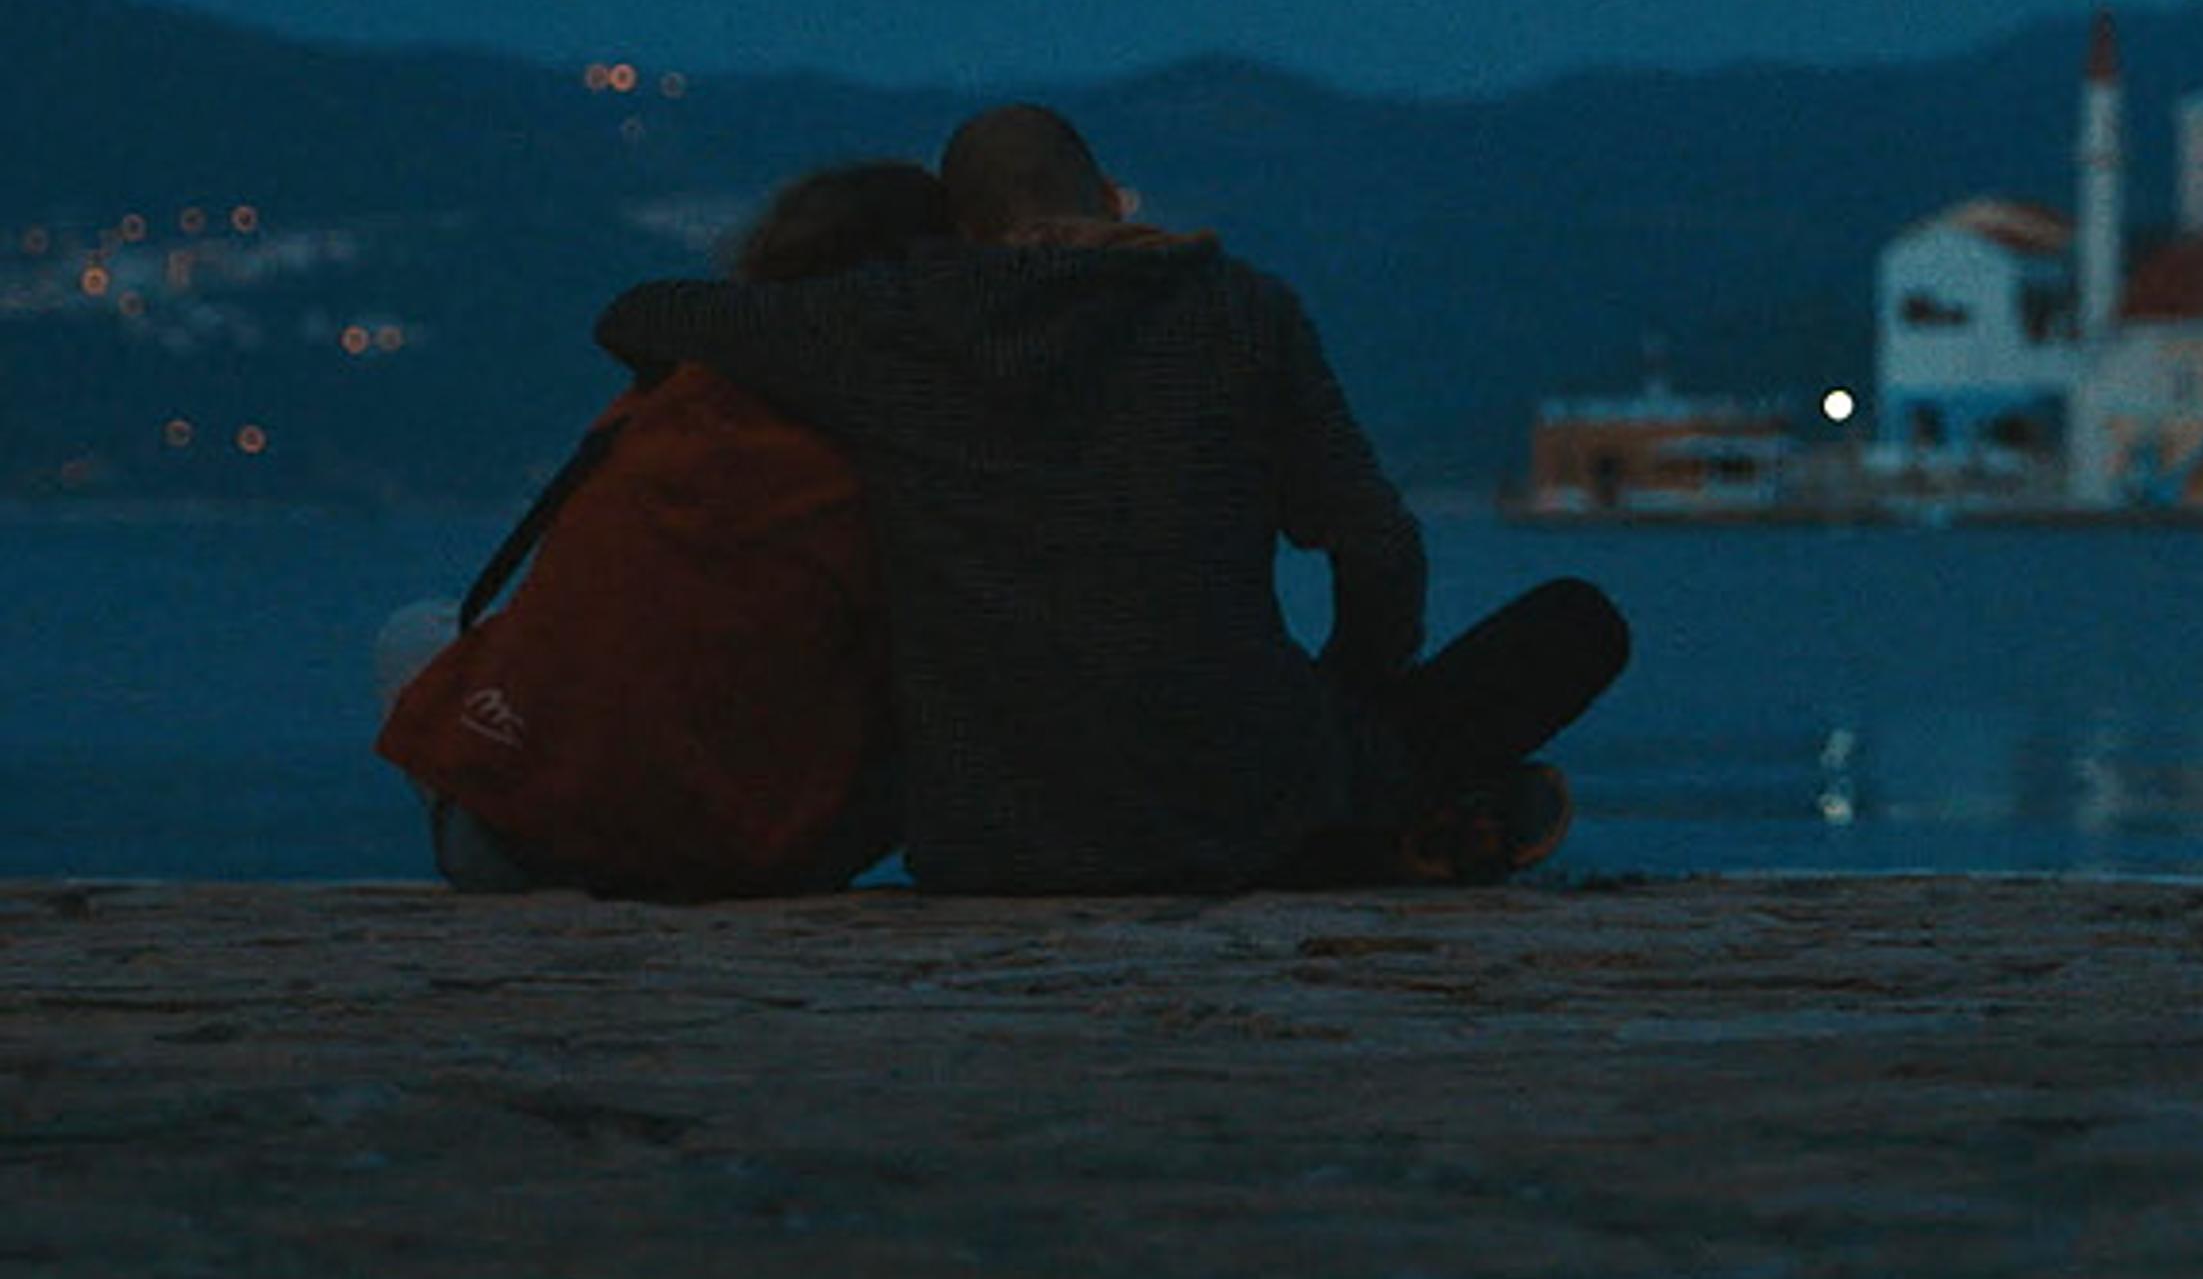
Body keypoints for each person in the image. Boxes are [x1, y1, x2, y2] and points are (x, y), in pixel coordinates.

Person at [589, 103, 1628, 894]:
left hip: (990, 842)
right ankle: (1377, 812)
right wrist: (1351, 693)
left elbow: (641, 310)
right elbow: (1378, 544)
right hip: (1243, 795)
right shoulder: (1239, 310)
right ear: (1106, 196)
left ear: (963, 227)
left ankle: (1367, 816)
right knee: (1578, 623)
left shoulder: (889, 326)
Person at [376, 160, 953, 898]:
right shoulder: (886, 451)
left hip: (510, 846)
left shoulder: (666, 407)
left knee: (414, 633)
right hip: (740, 864)